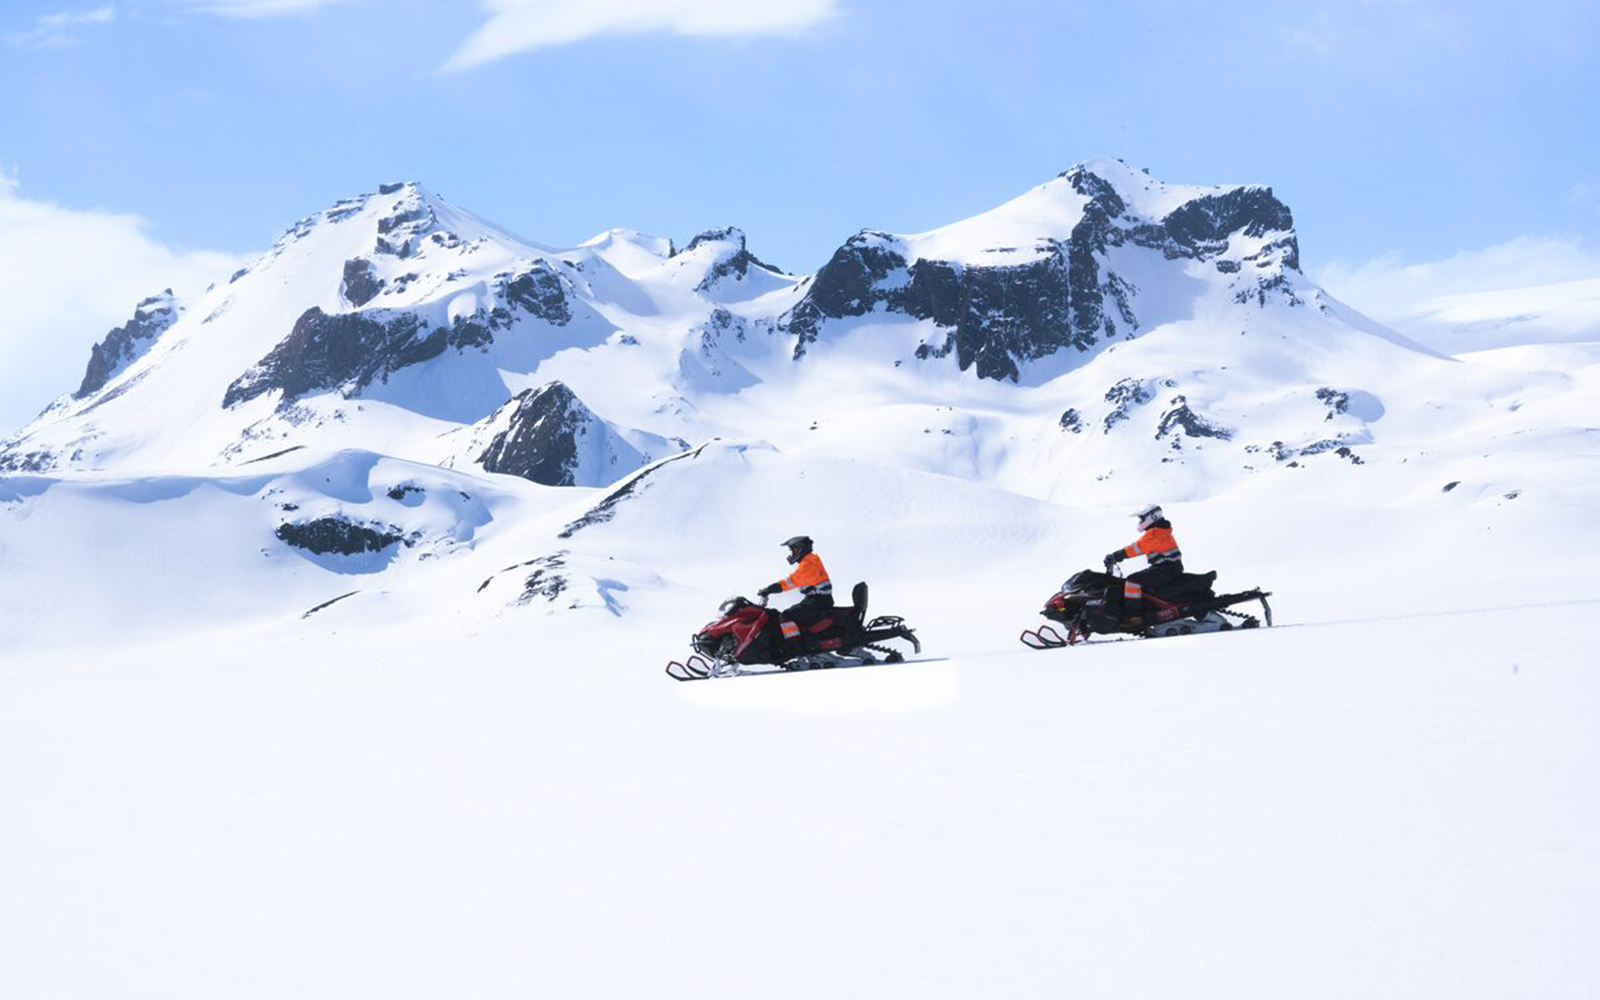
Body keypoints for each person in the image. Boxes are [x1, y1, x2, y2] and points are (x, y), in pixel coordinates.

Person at [1103, 504, 1184, 624]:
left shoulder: (1156, 533)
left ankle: (1135, 617)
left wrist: (1116, 556)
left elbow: (1137, 547)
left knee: (1132, 581)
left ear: (1152, 517)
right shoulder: (1160, 531)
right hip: (1168, 568)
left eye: (1142, 518)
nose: (1140, 521)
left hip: (1165, 569)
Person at [757, 535, 834, 641]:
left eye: (794, 550)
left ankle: (794, 645)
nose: (792, 553)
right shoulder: (811, 560)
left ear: (802, 549)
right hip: (817, 599)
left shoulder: (808, 564)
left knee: (786, 616)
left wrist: (769, 589)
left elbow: (790, 582)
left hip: (817, 601)